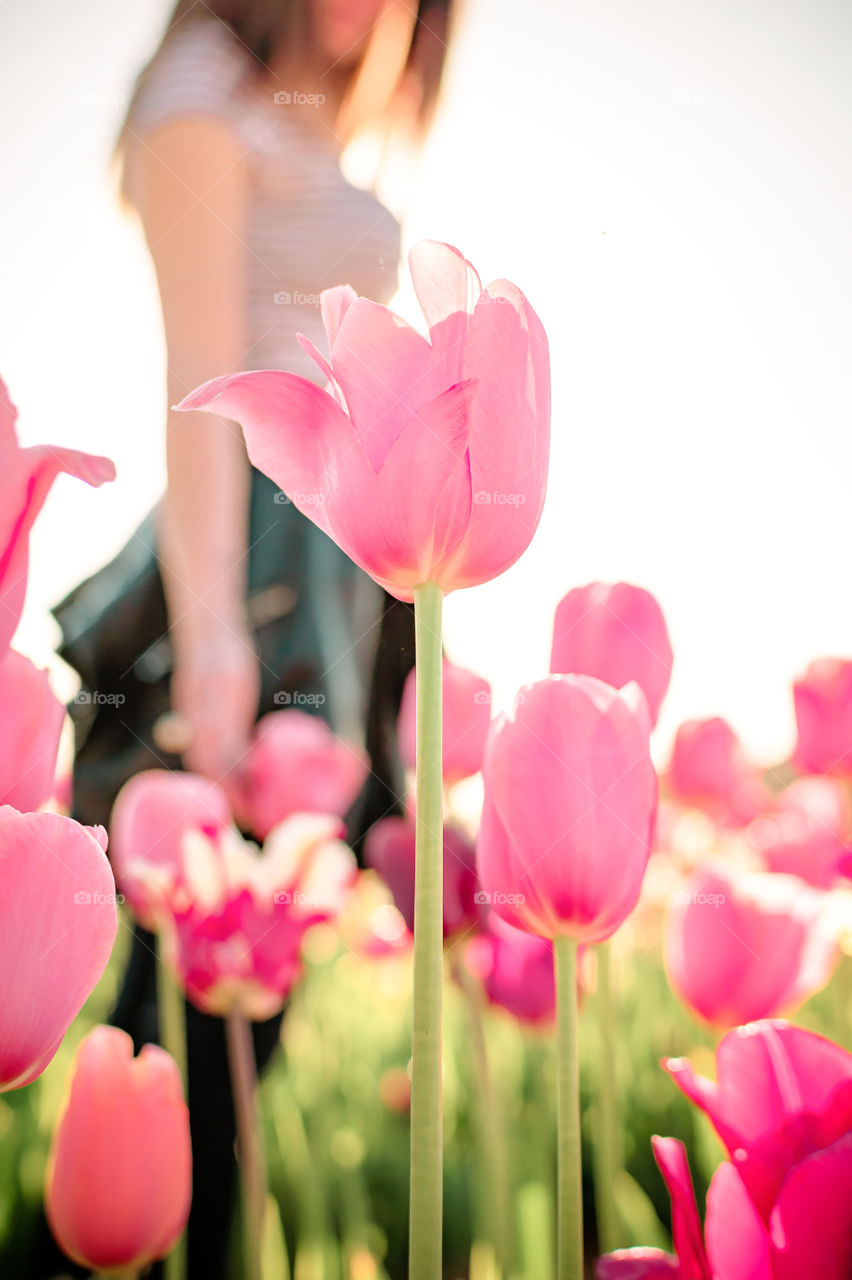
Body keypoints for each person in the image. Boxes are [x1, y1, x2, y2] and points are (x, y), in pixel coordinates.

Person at [46, 2, 460, 1277]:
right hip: (267, 550)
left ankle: (157, 1233)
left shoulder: (310, 117)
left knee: (252, 976)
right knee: (208, 975)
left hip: (348, 566)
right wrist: (216, 631)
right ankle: (112, 1240)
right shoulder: (200, 93)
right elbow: (204, 379)